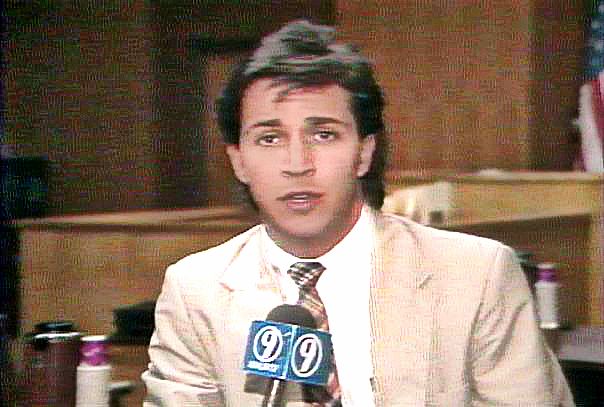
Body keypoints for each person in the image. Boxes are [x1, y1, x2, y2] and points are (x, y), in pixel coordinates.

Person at [142, 20, 573, 406]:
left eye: (324, 135)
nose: (297, 163)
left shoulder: (476, 276)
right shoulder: (195, 291)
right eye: (270, 139)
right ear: (238, 161)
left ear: (364, 153)